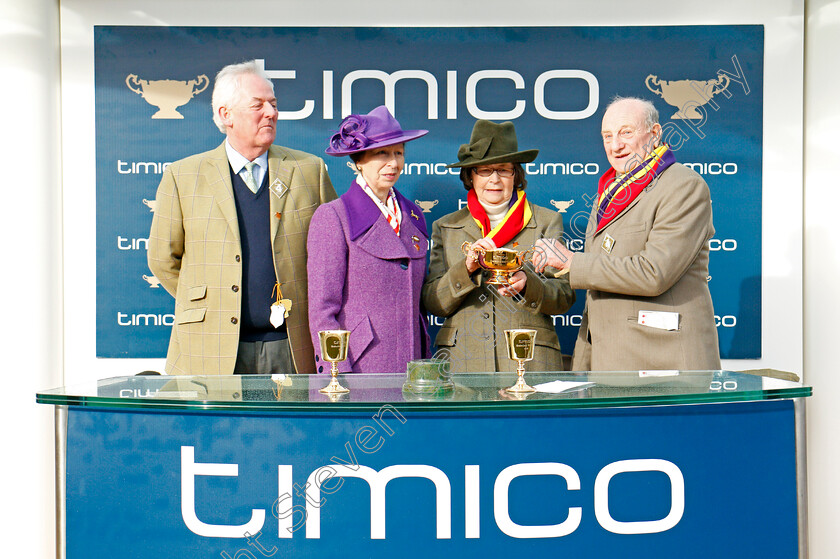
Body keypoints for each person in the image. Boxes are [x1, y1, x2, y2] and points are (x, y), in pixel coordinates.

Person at [148, 60, 337, 375]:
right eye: (258, 105)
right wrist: (210, 300)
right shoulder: (182, 176)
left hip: (292, 345)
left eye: (273, 104)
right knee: (216, 427)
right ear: (226, 115)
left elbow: (332, 252)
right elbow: (162, 260)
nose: (271, 113)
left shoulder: (309, 170)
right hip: (210, 345)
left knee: (292, 426)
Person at [532, 96, 721, 371]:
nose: (615, 145)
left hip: (662, 365)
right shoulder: (610, 192)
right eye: (607, 136)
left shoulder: (684, 186)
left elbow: (654, 272)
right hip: (608, 361)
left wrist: (573, 263)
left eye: (626, 133)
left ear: (655, 134)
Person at [421, 120, 575, 372]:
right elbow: (434, 303)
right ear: (470, 175)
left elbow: (565, 297)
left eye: (504, 170)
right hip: (464, 364)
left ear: (516, 176)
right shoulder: (445, 226)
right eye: (484, 170)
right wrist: (466, 269)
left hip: (529, 359)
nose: (494, 179)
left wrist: (528, 285)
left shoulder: (548, 221)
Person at [307, 106, 430, 373]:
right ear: (358, 160)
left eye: (399, 153)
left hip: (415, 366)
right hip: (360, 368)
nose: (393, 163)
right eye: (382, 153)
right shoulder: (333, 217)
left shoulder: (415, 215)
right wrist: (336, 373)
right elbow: (322, 311)